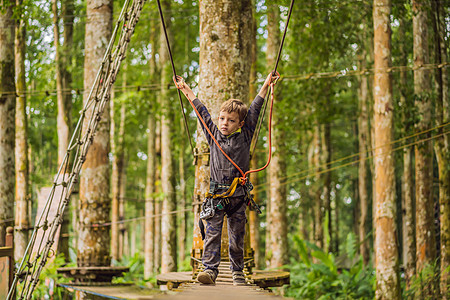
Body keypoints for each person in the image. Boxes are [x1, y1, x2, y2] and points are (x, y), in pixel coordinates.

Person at [174, 72, 277, 285]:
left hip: (238, 197)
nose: (224, 123)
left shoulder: (245, 135)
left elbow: (256, 109)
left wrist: (266, 85)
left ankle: (237, 272)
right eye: (222, 119)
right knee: (212, 235)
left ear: (240, 124)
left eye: (231, 121)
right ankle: (210, 270)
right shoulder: (213, 135)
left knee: (237, 237)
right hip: (217, 197)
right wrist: (185, 89)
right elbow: (200, 111)